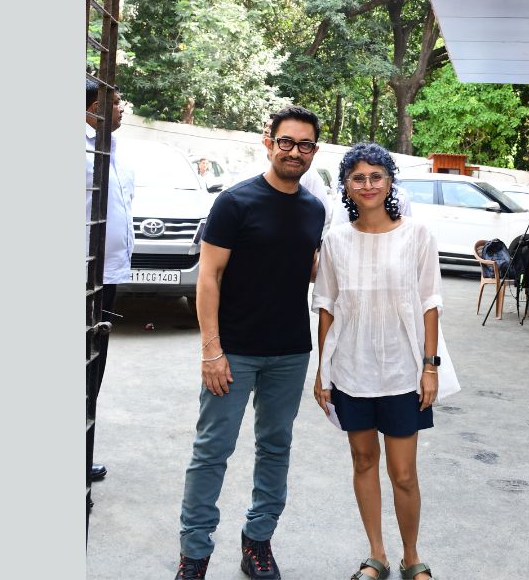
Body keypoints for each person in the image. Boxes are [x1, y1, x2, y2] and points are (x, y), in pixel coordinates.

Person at [174, 106, 326, 580]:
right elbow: (208, 278)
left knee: (276, 448)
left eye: (304, 145)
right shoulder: (235, 202)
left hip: (290, 351)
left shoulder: (314, 209)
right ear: (268, 142)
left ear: (314, 151)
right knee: (211, 451)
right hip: (233, 351)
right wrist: (211, 350)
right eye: (286, 142)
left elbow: (305, 269)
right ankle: (194, 553)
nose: (294, 152)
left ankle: (258, 542)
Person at [312, 143, 459, 580]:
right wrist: (322, 372)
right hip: (351, 370)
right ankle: (376, 554)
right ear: (346, 187)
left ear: (390, 181)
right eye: (358, 178)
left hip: (403, 370)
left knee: (404, 473)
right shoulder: (335, 241)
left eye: (376, 176)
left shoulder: (417, 235)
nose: (368, 185)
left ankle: (412, 556)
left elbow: (430, 303)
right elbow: (326, 308)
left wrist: (429, 366)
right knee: (363, 461)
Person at [85, 79, 134, 486]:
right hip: (83, 277)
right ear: (94, 106)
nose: (121, 109)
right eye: (116, 103)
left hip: (107, 275)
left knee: (93, 365)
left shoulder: (110, 148)